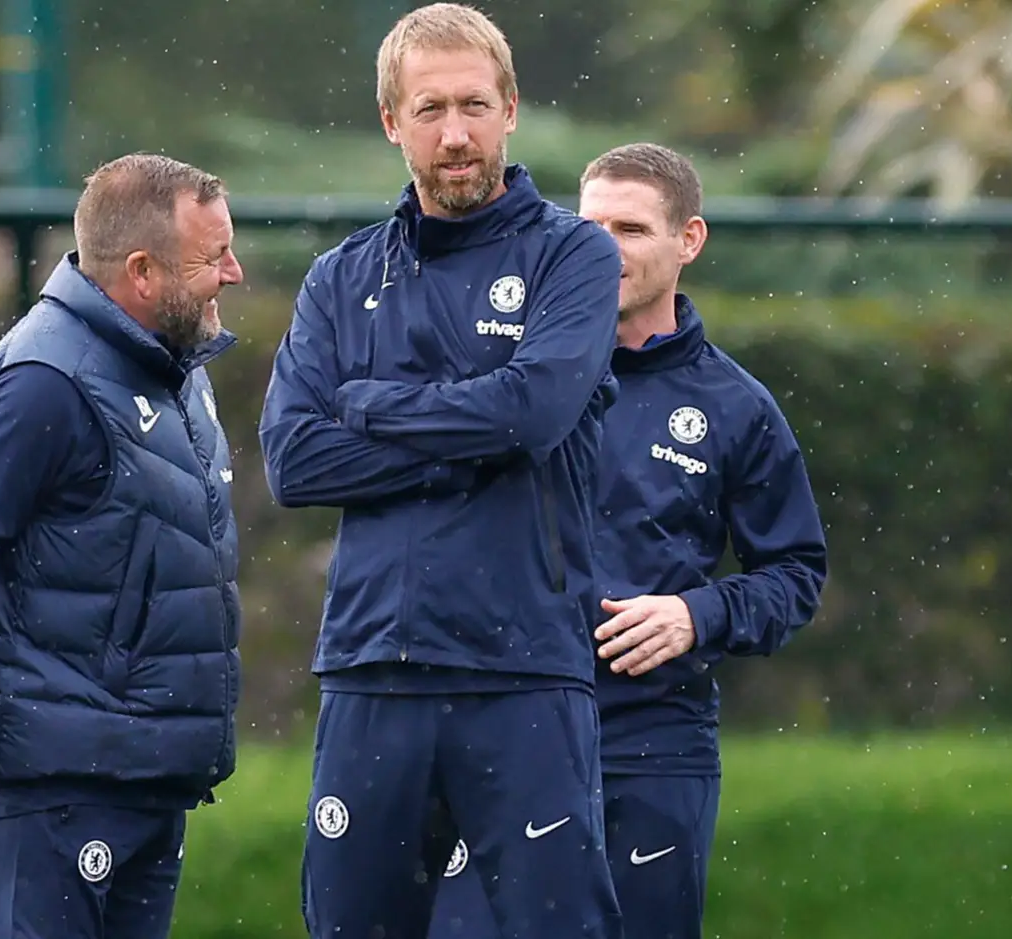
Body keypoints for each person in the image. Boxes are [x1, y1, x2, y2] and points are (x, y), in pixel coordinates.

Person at [257, 4, 625, 938]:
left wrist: (373, 403)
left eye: (472, 105)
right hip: (373, 669)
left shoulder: (573, 254)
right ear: (391, 122)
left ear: (510, 109)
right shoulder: (342, 278)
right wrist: (473, 431)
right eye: (428, 110)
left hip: (524, 670)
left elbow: (533, 413)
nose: (454, 134)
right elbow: (294, 459)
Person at [429, 142, 829, 938]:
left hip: (650, 743)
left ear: (689, 241)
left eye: (631, 228)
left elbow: (795, 572)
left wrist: (697, 615)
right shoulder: (504, 376)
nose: (603, 247)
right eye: (590, 226)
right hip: (500, 732)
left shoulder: (734, 406)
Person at [0, 152, 247, 939]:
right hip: (59, 781)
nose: (233, 271)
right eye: (212, 255)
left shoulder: (178, 368)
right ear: (141, 272)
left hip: (149, 776)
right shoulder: (42, 381)